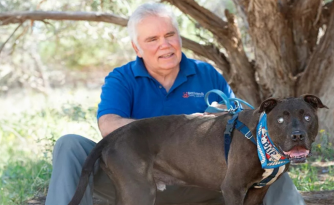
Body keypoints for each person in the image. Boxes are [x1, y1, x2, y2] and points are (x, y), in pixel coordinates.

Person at [45, 2, 306, 205]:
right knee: (69, 144)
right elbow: (109, 126)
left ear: (180, 37)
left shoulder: (207, 74)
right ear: (137, 48)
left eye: (170, 35)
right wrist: (176, 129)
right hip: (134, 174)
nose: (165, 45)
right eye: (152, 39)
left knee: (272, 164)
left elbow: (234, 129)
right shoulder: (122, 78)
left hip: (201, 179)